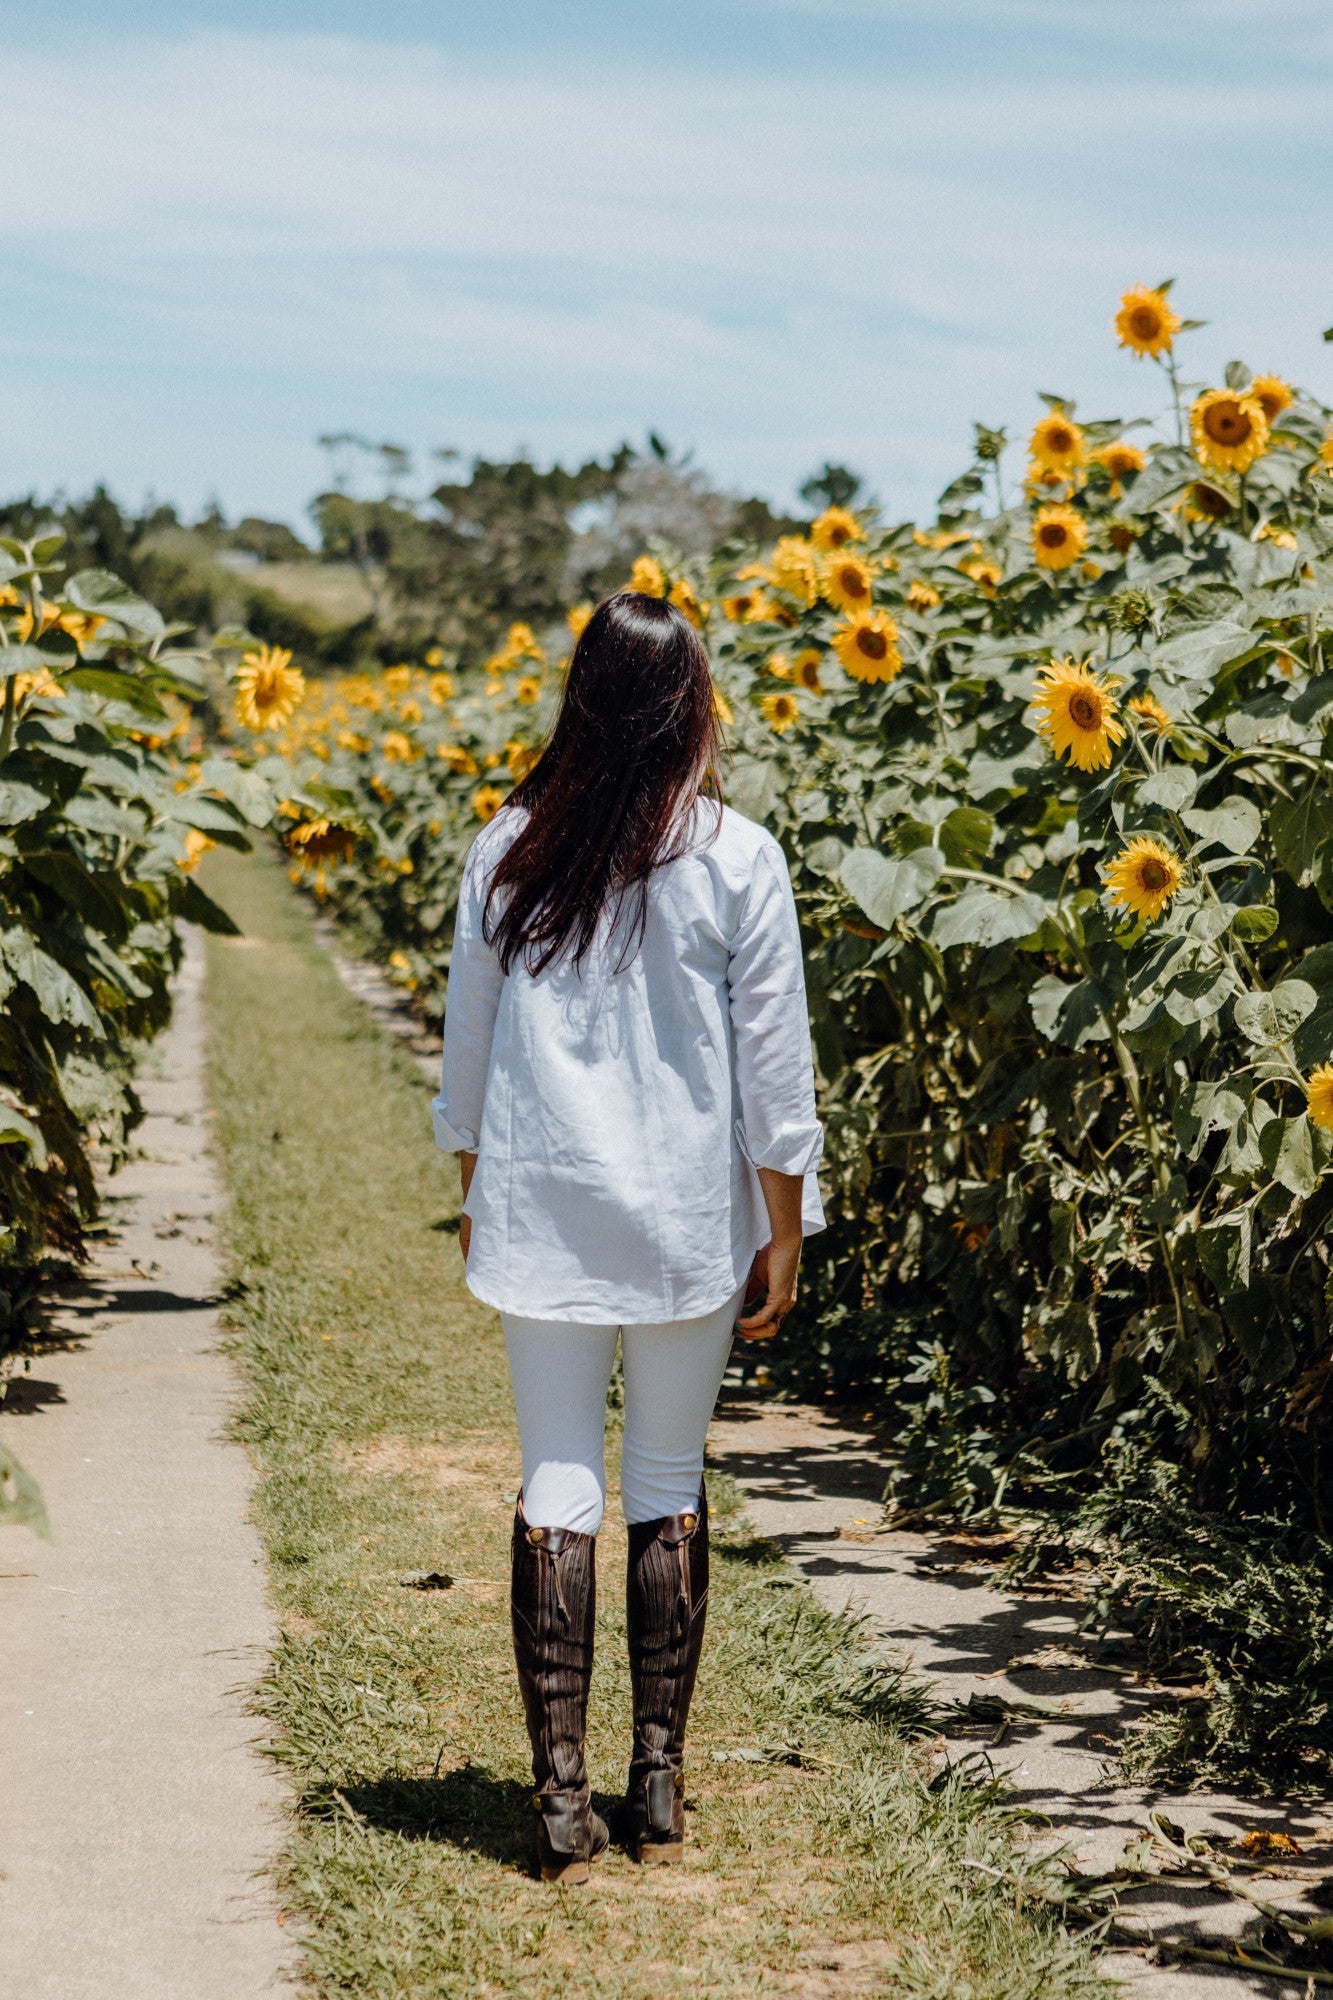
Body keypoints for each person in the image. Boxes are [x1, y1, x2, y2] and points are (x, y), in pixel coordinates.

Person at [433, 590, 824, 1884]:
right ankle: (654, 1779)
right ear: (691, 708)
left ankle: (558, 1803)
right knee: (664, 1473)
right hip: (683, 1224)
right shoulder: (734, 857)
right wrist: (787, 1232)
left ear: (581, 702)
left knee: (558, 1476)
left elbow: (469, 1066)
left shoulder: (506, 848)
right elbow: (776, 1080)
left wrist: (491, 1194)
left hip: (544, 1208)